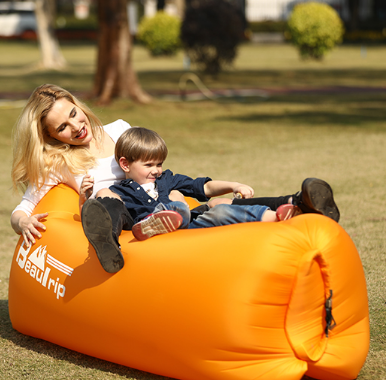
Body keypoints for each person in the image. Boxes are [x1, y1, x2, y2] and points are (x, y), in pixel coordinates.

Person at [11, 84, 339, 274]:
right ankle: (105, 241)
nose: (75, 126)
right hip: (122, 213)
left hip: (157, 202)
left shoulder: (118, 129)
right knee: (109, 193)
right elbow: (23, 207)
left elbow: (155, 168)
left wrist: (182, 192)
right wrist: (22, 223)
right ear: (52, 137)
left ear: (78, 105)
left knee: (219, 206)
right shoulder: (59, 162)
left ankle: (299, 202)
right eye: (62, 128)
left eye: (73, 113)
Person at [97, 127, 299, 241]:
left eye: (159, 164)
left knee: (220, 210)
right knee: (178, 204)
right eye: (149, 164)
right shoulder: (119, 192)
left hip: (189, 225)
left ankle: (276, 216)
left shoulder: (166, 179)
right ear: (125, 164)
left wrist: (234, 185)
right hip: (149, 228)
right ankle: (158, 220)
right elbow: (106, 216)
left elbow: (203, 187)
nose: (156, 170)